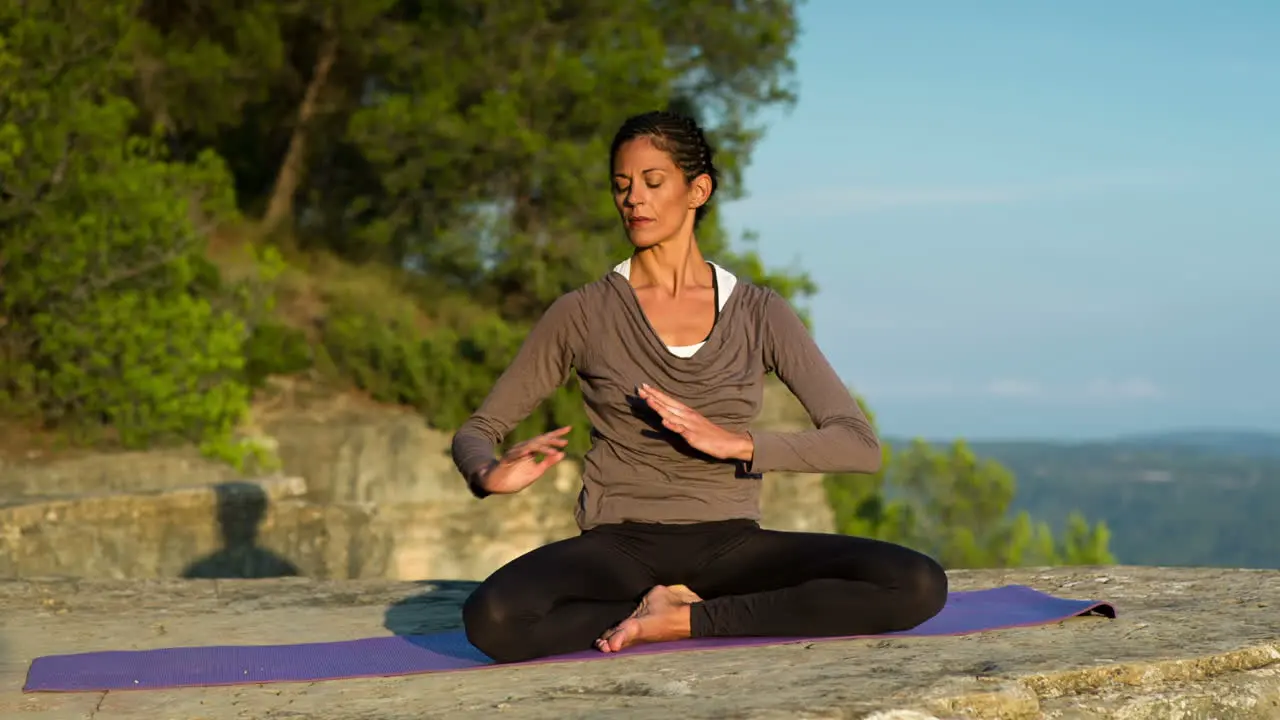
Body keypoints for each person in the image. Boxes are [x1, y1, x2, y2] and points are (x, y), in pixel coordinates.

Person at [450, 110, 949, 664]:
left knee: (918, 583)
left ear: (698, 189)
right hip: (618, 545)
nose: (633, 199)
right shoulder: (582, 312)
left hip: (730, 546)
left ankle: (683, 619)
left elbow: (859, 444)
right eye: (622, 186)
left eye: (652, 182)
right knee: (492, 618)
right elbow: (478, 430)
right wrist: (486, 472)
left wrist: (739, 444)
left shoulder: (760, 312)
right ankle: (663, 610)